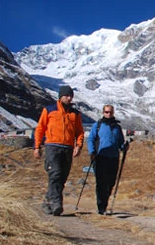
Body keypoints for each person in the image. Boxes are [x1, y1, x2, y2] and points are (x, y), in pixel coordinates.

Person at [34, 85, 84, 216]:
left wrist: (79, 145)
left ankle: (47, 202)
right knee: (55, 174)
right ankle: (57, 204)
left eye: (71, 96)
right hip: (52, 146)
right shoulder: (49, 110)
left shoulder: (75, 114)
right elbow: (40, 128)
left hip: (67, 148)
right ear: (60, 96)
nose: (69, 98)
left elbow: (79, 131)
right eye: (67, 96)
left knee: (61, 178)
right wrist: (37, 146)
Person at [87, 105, 128, 215]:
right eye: (106, 112)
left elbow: (120, 143)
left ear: (113, 113)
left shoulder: (117, 128)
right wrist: (92, 151)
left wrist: (125, 147)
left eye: (110, 112)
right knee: (101, 183)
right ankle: (101, 207)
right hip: (100, 157)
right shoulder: (98, 125)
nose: (108, 114)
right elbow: (90, 139)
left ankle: (104, 203)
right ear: (103, 112)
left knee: (111, 182)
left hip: (114, 158)